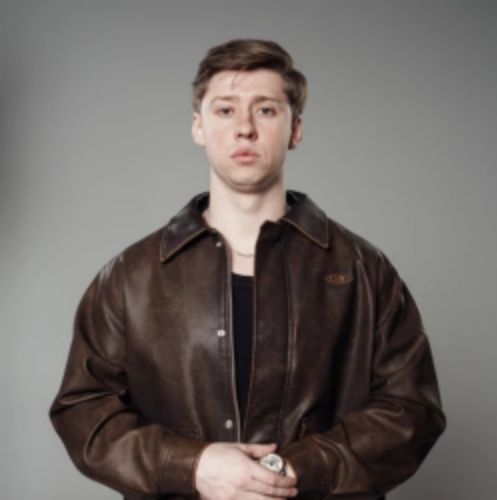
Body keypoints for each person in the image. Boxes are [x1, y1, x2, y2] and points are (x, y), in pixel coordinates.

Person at [49, 39, 446, 500]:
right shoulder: (129, 277)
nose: (244, 129)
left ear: (296, 129)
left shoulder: (362, 269)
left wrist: (289, 470)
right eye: (225, 110)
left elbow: (412, 409)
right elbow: (84, 410)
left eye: (266, 110)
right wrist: (194, 466)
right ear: (198, 127)